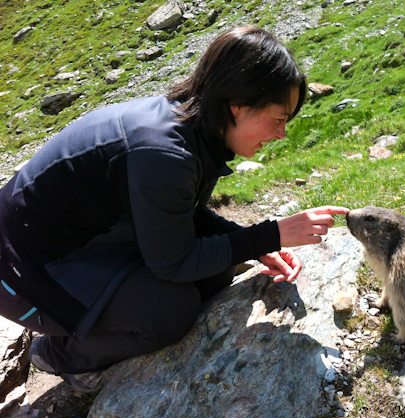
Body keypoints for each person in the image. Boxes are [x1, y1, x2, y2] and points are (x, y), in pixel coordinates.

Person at [0, 25, 349, 393]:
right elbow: (174, 262)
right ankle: (58, 354)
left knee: (216, 268)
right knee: (169, 311)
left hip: (72, 246)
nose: (281, 134)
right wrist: (270, 233)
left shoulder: (194, 131)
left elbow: (184, 216)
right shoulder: (163, 152)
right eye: (278, 119)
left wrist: (255, 245)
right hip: (23, 273)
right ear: (238, 104)